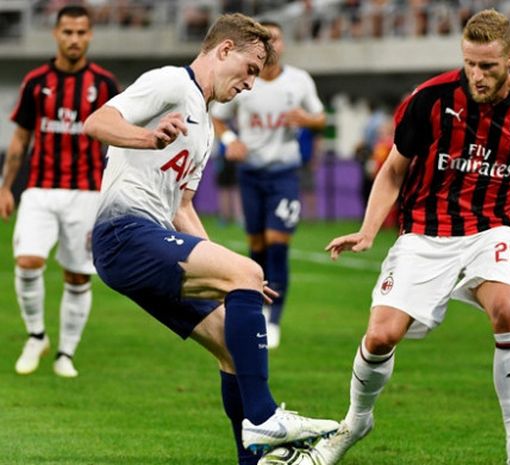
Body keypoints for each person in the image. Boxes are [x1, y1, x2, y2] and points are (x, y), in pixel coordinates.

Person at [315, 9, 510, 465]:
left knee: (507, 309)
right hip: (425, 232)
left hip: (491, 229)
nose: (477, 76)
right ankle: (356, 420)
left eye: (489, 66)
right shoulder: (430, 99)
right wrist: (367, 230)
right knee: (381, 337)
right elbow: (393, 170)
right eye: (470, 64)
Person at [83, 13, 337, 465]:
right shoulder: (170, 83)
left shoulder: (203, 127)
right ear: (224, 50)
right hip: (123, 232)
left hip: (149, 237)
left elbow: (182, 209)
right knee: (248, 272)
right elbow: (97, 122)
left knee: (231, 344)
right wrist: (146, 137)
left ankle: (253, 459)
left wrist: (230, 270)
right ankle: (264, 416)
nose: (250, 85)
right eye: (250, 70)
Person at [0, 5, 119, 378]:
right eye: (67, 32)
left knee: (78, 276)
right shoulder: (36, 81)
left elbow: (117, 141)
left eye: (81, 32)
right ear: (56, 34)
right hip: (39, 189)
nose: (74, 39)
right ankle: (36, 335)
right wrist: (5, 188)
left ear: (90, 36)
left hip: (86, 192)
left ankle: (65, 352)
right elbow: (20, 139)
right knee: (28, 261)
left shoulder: (104, 84)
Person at [211, 20, 326, 350]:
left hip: (284, 174)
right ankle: (258, 311)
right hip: (250, 174)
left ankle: (274, 319)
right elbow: (218, 116)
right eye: (264, 40)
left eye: (275, 38)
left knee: (278, 244)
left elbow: (320, 117)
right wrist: (230, 140)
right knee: (257, 247)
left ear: (282, 44)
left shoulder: (299, 81)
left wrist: (306, 120)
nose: (271, 45)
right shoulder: (247, 80)